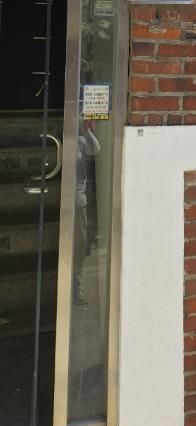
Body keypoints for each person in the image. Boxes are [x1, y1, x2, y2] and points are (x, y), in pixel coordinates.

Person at [73, 118, 100, 305]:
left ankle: (77, 284)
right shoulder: (61, 140)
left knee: (80, 246)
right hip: (66, 200)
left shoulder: (81, 140)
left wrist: (86, 129)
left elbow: (95, 148)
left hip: (78, 202)